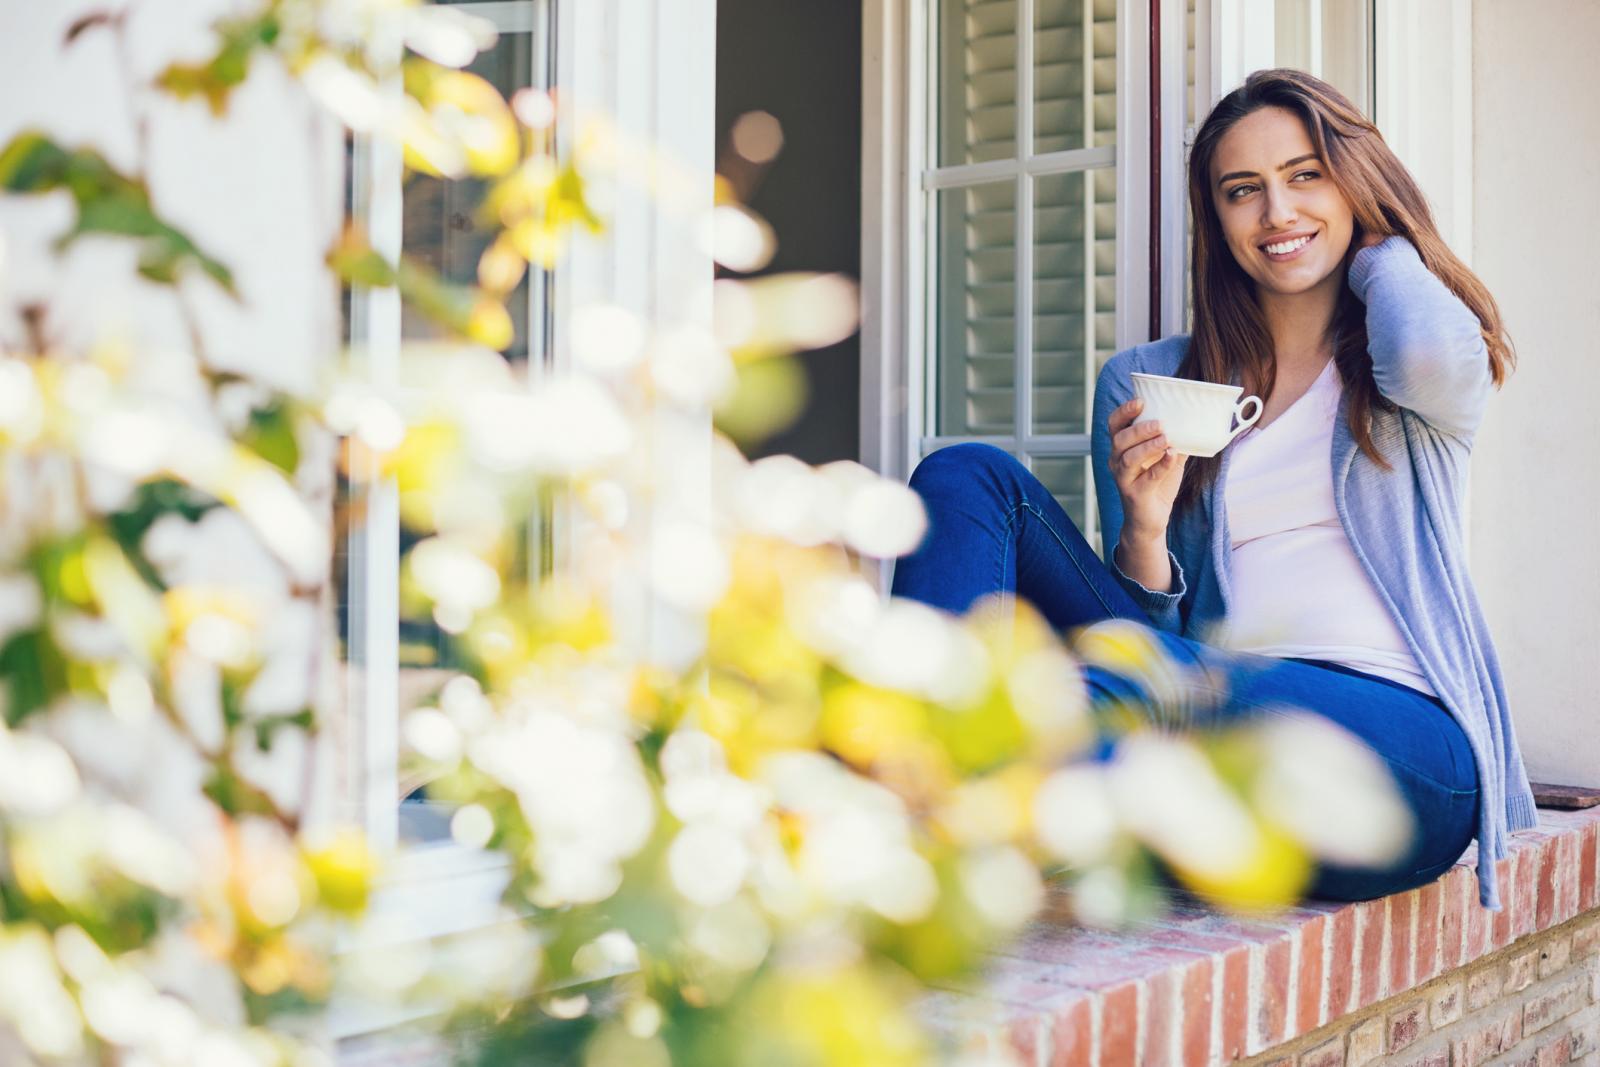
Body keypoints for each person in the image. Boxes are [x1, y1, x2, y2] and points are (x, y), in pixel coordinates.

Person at [891, 69, 1535, 909]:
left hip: (1401, 746)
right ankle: (931, 771)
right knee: (965, 475)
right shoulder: (1149, 379)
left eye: (1307, 176)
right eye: (1244, 191)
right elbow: (1149, 636)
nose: (1277, 214)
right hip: (1205, 709)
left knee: (1137, 688)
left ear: (1356, 179)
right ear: (1218, 219)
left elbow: (1423, 352)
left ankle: (925, 822)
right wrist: (1146, 532)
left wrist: (1377, 241)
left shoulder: (1404, 374)